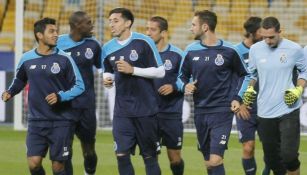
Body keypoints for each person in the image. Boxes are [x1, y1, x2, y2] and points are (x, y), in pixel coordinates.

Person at [1, 17, 84, 175]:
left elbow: (80, 86)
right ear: (39, 35)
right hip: (36, 121)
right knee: (33, 164)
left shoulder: (65, 58)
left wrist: (61, 96)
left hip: (61, 120)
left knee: (58, 167)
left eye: (56, 31)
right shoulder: (27, 58)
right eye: (51, 31)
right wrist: (10, 92)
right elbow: (20, 79)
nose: (56, 34)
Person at [177, 10, 250, 175]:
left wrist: (237, 97)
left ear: (204, 27)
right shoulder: (190, 50)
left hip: (222, 111)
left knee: (216, 159)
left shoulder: (230, 50)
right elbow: (180, 77)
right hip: (201, 111)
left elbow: (245, 75)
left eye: (193, 25)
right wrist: (185, 86)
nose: (190, 28)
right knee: (209, 163)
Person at [102, 8, 165, 175]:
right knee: (121, 155)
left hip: (146, 110)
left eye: (115, 21)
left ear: (128, 23)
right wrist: (107, 79)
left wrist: (133, 70)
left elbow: (160, 71)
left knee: (149, 157)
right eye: (110, 21)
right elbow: (107, 70)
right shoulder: (107, 48)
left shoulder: (144, 42)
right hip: (122, 112)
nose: (111, 25)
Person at [243, 16, 307, 175]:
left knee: (289, 156)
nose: (268, 41)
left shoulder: (294, 49)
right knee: (272, 159)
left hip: (289, 109)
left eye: (271, 37)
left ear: (280, 31)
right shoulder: (255, 50)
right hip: (264, 111)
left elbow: (304, 71)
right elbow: (252, 75)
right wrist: (250, 90)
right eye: (264, 37)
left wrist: (298, 90)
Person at [57, 11, 101, 175]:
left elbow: (103, 68)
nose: (92, 25)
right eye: (88, 22)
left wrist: (109, 78)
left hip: (86, 106)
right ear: (77, 25)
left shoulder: (94, 45)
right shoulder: (58, 43)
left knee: (89, 151)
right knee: (65, 151)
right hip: (64, 106)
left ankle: (89, 172)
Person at [146, 16, 184, 175]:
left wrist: (174, 86)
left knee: (174, 158)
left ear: (163, 33)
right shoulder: (142, 55)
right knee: (150, 157)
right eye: (147, 29)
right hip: (148, 114)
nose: (148, 33)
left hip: (171, 114)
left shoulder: (177, 54)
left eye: (152, 30)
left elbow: (188, 80)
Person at [235, 16, 270, 175]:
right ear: (251, 33)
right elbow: (231, 81)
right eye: (260, 32)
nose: (264, 35)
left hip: (267, 107)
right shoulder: (236, 52)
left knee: (271, 148)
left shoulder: (268, 49)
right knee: (248, 147)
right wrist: (238, 102)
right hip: (245, 108)